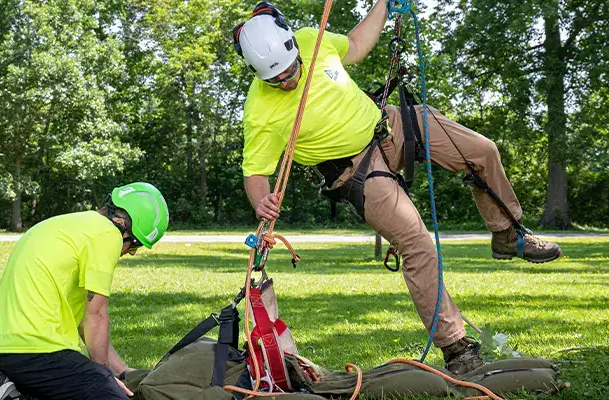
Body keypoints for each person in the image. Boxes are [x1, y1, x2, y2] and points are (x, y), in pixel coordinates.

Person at [232, 1, 561, 374]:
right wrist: (261, 202)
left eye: (291, 70)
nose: (287, 80)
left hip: (388, 126)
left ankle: (507, 233)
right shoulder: (260, 110)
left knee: (482, 151)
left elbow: (355, 45)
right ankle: (456, 348)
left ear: (293, 46)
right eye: (276, 79)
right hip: (355, 171)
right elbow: (255, 173)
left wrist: (384, 5)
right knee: (417, 242)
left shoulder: (312, 39)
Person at [0, 182, 169, 399]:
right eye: (134, 245)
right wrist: (103, 377)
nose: (132, 253)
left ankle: (19, 394)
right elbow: (96, 315)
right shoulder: (106, 235)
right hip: (40, 352)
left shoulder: (69, 226)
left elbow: (83, 323)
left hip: (5, 351)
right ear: (121, 224)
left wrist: (123, 371)